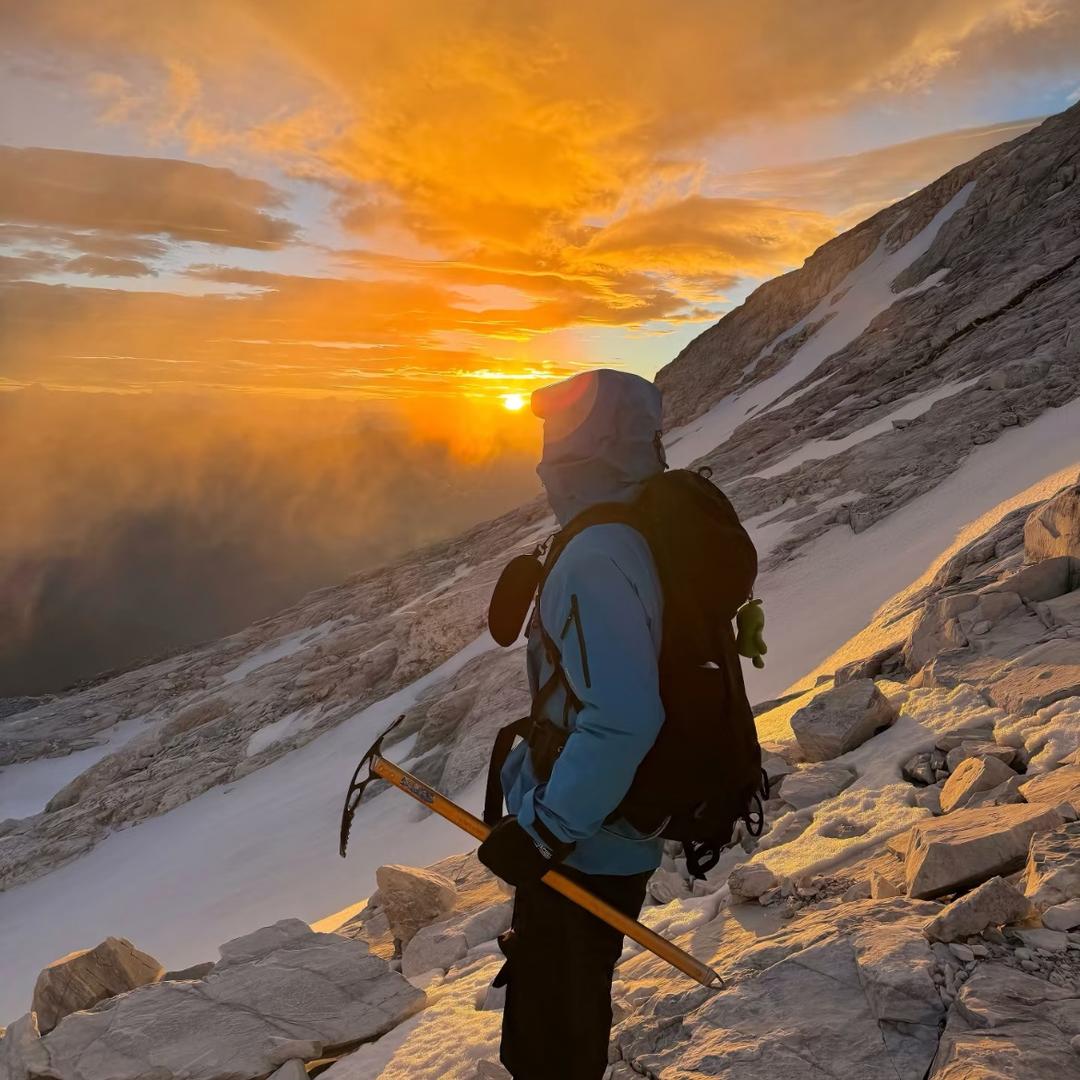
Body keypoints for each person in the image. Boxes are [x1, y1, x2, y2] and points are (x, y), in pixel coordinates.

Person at [477, 368, 667, 1080]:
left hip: (587, 839)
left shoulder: (595, 554)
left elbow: (622, 718)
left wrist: (544, 831)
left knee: (550, 1038)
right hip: (609, 828)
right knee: (568, 1006)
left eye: (559, 418)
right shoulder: (638, 523)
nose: (545, 433)